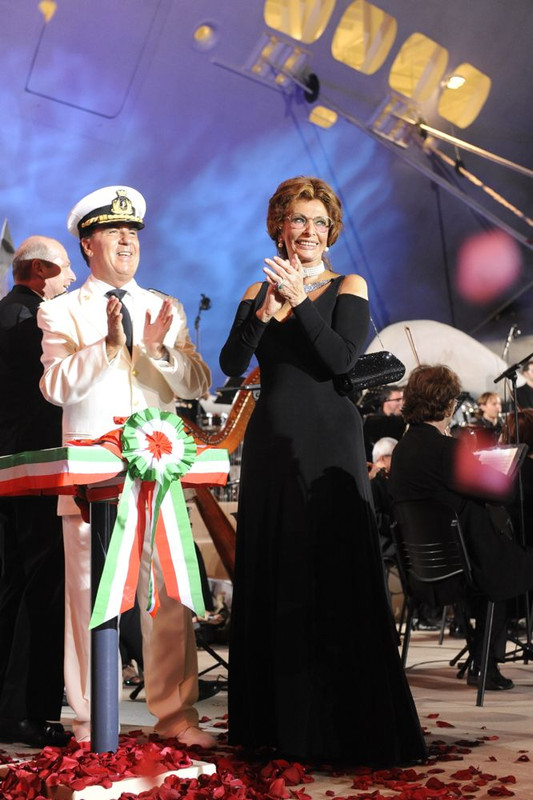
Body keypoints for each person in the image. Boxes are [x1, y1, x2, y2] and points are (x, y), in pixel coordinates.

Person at [219, 176, 427, 766]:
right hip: (271, 440)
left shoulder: (348, 285)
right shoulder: (257, 290)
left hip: (330, 442)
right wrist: (265, 310)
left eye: (318, 222)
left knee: (332, 566)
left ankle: (343, 724)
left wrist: (301, 301)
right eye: (297, 219)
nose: (308, 231)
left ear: (330, 232)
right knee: (276, 566)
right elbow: (232, 363)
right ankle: (275, 724)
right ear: (279, 227)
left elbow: (340, 358)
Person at [37, 186, 213, 746]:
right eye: (113, 232)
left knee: (168, 598)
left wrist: (159, 351)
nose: (126, 241)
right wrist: (108, 347)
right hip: (90, 483)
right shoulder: (61, 310)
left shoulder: (166, 308)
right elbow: (53, 386)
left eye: (133, 232)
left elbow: (197, 383)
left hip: (156, 479)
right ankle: (92, 720)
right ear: (87, 244)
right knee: (90, 600)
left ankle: (177, 717)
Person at [388, 364, 533, 690]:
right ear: (447, 404)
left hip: (424, 568)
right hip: (465, 565)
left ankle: (482, 658)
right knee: (517, 564)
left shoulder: (402, 451)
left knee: (507, 564)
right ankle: (485, 663)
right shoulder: (447, 450)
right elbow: (503, 492)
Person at [0, 235, 75, 748]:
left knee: (14, 586)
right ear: (42, 270)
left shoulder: (8, 314)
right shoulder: (35, 321)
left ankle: (11, 706)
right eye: (66, 267)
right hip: (35, 472)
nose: (72, 277)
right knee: (39, 589)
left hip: (12, 473)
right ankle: (25, 710)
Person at [363, 385, 406, 462]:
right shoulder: (372, 422)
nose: (402, 403)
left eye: (402, 400)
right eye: (398, 400)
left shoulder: (402, 422)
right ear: (386, 401)